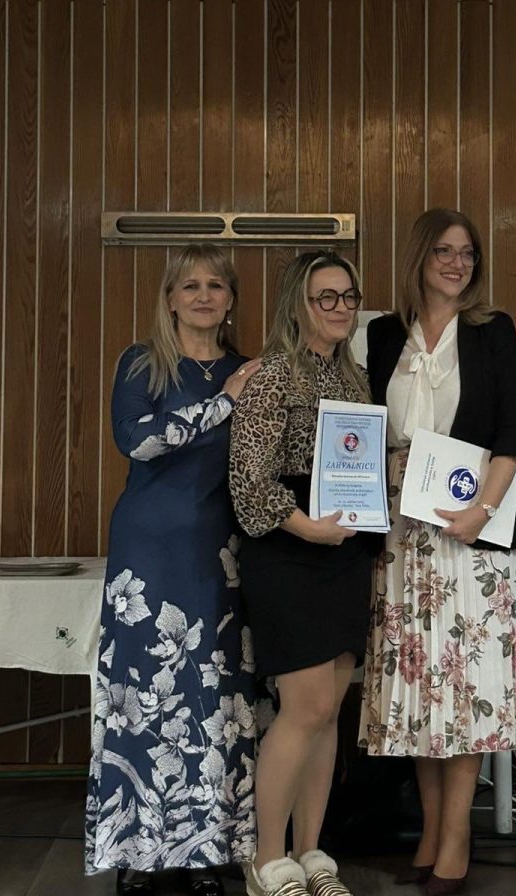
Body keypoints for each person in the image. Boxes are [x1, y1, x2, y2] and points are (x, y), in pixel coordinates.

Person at [359, 209, 516, 896]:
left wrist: (483, 511)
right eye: (444, 250)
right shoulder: (384, 334)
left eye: (467, 253)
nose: (457, 263)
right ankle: (433, 831)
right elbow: (363, 425)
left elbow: (514, 431)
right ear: (420, 256)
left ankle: (457, 837)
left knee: (464, 688)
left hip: (472, 530)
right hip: (402, 536)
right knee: (420, 685)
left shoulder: (493, 331)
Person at [85, 245, 266, 896]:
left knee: (214, 700)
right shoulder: (141, 362)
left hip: (219, 553)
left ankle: (208, 851)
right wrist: (223, 404)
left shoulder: (250, 370)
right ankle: (137, 852)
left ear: (231, 299)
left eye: (216, 285)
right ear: (169, 299)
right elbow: (138, 440)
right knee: (143, 700)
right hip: (148, 555)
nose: (203, 295)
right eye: (190, 285)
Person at [228, 252, 375, 896]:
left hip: (344, 550)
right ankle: (266, 859)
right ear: (298, 304)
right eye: (326, 297)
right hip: (289, 549)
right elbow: (248, 482)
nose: (341, 308)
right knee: (304, 707)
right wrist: (307, 527)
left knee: (330, 710)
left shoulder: (357, 380)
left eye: (348, 296)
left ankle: (312, 854)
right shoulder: (270, 376)